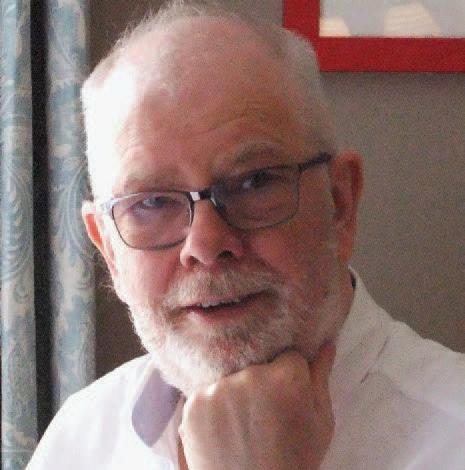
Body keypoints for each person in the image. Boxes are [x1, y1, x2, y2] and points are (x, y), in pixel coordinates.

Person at [27, 1, 465, 469]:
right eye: (151, 203)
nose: (205, 245)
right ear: (110, 251)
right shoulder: (80, 440)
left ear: (340, 203)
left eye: (254, 182)